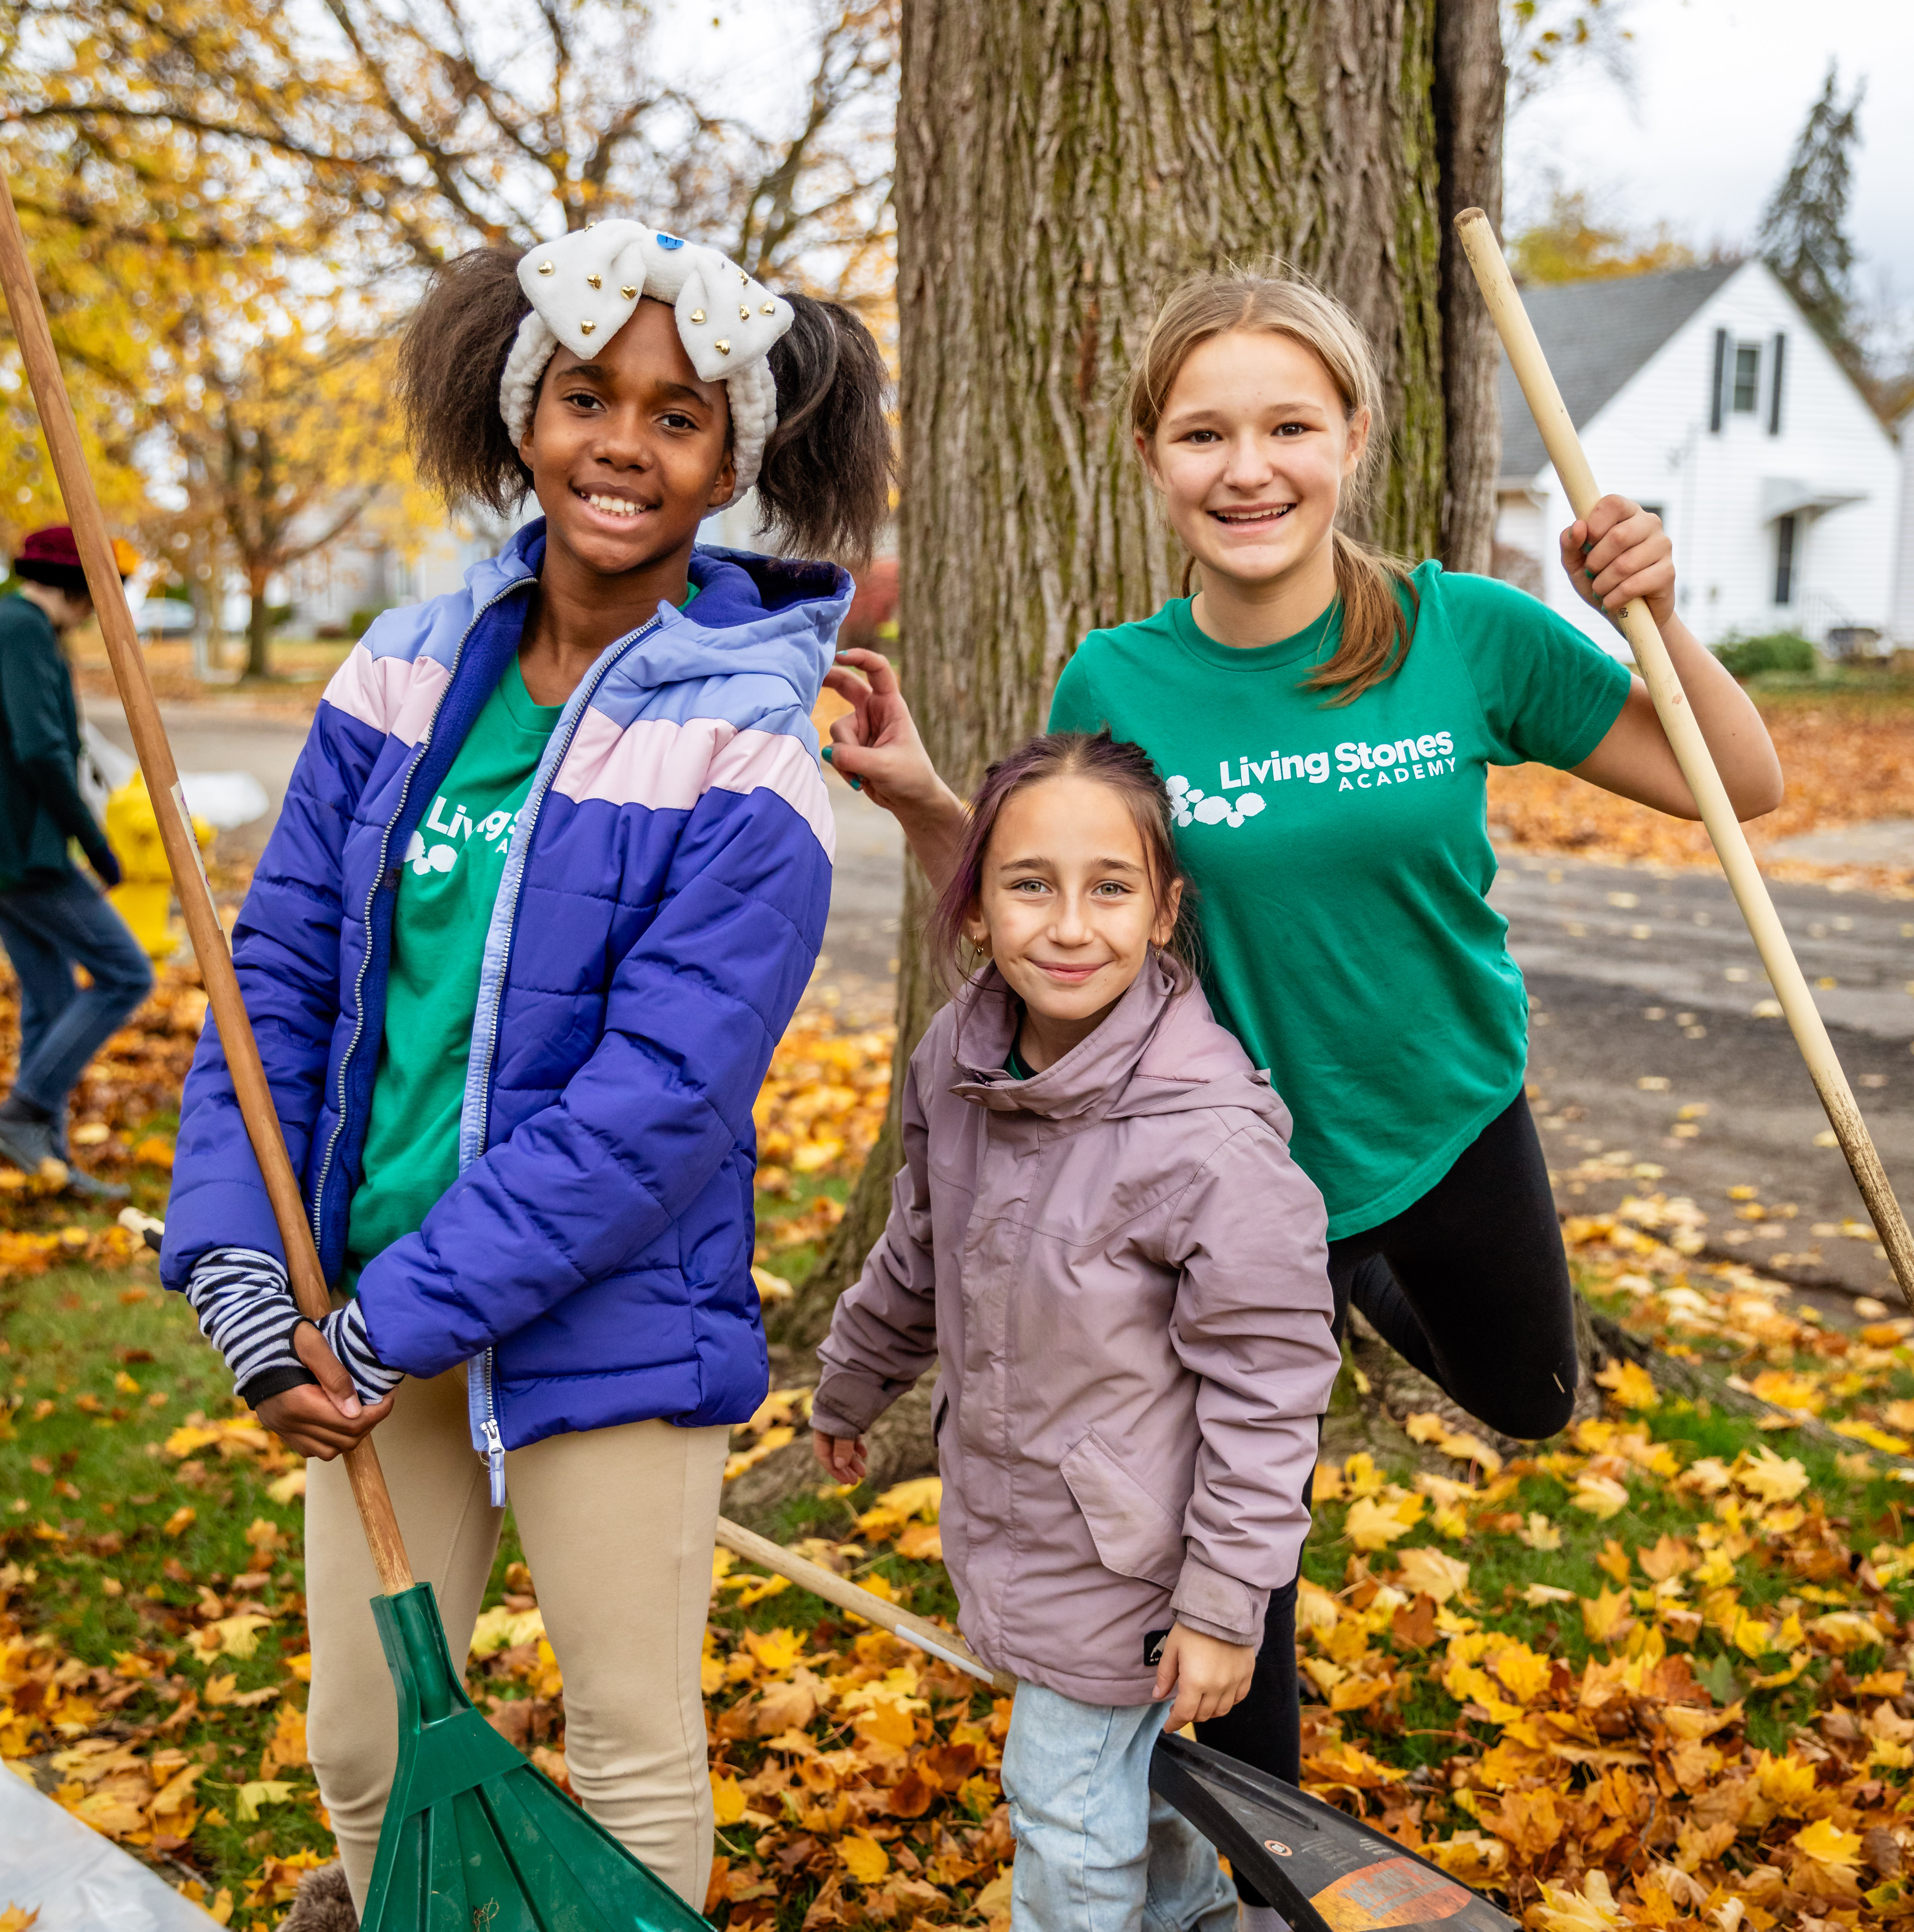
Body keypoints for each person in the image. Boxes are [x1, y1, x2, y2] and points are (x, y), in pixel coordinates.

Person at [821, 267, 1782, 1854]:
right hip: (1219, 1179)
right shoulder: (1116, 685)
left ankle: (1367, 1317)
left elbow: (1732, 787)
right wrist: (935, 801)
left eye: (1288, 425)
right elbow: (1051, 915)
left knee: (1537, 1397)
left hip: (1445, 1114)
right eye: (1204, 432)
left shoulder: (1458, 630)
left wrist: (1657, 616)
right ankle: (1260, 1860)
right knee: (1235, 1552)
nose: (1247, 467)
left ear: (1352, 437)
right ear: (1152, 458)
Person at [160, 220, 895, 1918]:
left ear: (732, 463)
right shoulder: (402, 672)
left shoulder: (749, 743)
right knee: (363, 1738)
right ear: (525, 415)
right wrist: (238, 1267)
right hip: (360, 1309)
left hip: (608, 1318)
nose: (623, 443)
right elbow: (270, 979)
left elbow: (657, 1104)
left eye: (676, 415)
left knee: (630, 1736)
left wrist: (390, 1319)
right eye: (586, 396)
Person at [811, 731, 1338, 1932]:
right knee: (1140, 1800)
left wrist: (1220, 1605)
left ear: (1165, 913)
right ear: (979, 904)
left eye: (1110, 888)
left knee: (1068, 1819)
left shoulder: (1207, 1137)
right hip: (1018, 1516)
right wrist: (851, 1385)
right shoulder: (959, 1057)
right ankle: (1203, 1921)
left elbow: (1270, 1391)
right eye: (1029, 884)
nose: (1068, 924)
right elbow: (918, 1247)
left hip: (1130, 1561)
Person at [0, 524, 151, 1200]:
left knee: (51, 998)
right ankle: (21, 1115)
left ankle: (42, 1161)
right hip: (22, 850)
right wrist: (96, 843)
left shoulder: (11, 625)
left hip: (5, 849)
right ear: (81, 588)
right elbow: (41, 750)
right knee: (125, 973)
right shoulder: (23, 631)